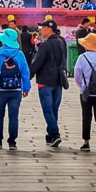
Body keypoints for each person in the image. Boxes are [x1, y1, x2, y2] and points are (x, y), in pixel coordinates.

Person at [0, 27, 31, 149]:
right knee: (14, 116)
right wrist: (26, 88)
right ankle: (12, 142)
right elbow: (25, 72)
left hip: (0, 89)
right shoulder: (20, 54)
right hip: (16, 90)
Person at [30, 19, 67, 148]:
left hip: (45, 81)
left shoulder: (45, 45)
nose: (41, 30)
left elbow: (37, 63)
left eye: (42, 28)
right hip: (58, 81)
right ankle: (50, 135)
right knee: (53, 109)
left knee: (47, 109)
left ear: (48, 29)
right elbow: (64, 60)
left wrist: (28, 75)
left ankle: (55, 134)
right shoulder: (62, 42)